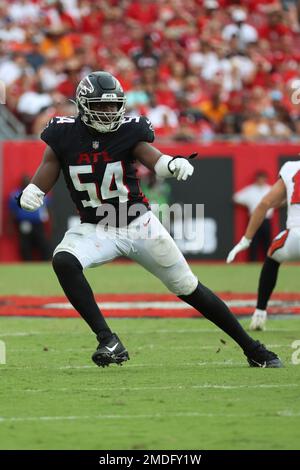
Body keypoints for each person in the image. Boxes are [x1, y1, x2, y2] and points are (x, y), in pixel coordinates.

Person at [17, 71, 282, 368]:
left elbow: (153, 157)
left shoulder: (129, 130)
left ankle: (253, 349)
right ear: (82, 104)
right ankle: (108, 339)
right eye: (100, 106)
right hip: (96, 227)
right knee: (64, 261)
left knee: (189, 288)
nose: (108, 112)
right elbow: (50, 163)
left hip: (138, 224)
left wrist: (172, 163)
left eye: (112, 105)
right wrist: (34, 189)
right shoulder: (63, 133)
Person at [227, 160, 300, 331]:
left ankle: (260, 312)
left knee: (272, 257)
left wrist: (246, 239)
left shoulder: (291, 167)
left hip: (296, 235)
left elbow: (265, 203)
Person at [9, 175, 51, 261]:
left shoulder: (38, 194)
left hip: (38, 223)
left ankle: (46, 262)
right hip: (24, 223)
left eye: (28, 181)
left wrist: (49, 221)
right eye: (24, 181)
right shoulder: (16, 194)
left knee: (43, 243)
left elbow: (47, 208)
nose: (26, 183)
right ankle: (27, 263)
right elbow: (12, 212)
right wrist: (10, 226)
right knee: (25, 245)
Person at [233, 171, 273, 261]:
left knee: (267, 242)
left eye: (263, 178)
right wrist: (248, 204)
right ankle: (252, 262)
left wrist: (273, 205)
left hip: (266, 219)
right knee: (253, 241)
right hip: (253, 219)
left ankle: (269, 262)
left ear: (265, 179)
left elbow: (282, 200)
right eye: (259, 178)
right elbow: (236, 198)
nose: (261, 180)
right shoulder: (250, 190)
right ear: (256, 179)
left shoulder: (270, 189)